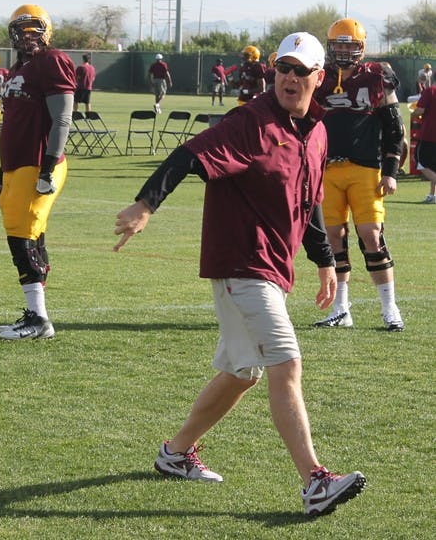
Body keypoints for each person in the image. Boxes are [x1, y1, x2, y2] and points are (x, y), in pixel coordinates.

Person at [113, 32, 366, 517]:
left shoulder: (315, 132)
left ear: (319, 77)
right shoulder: (250, 121)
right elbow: (189, 155)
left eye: (300, 70)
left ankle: (175, 452)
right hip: (242, 264)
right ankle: (315, 480)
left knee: (241, 372)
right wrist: (146, 204)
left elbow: (309, 203)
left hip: (272, 267)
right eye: (283, 68)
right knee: (286, 363)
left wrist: (326, 261)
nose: (290, 78)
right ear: (274, 72)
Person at [311, 18, 405, 332]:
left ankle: (389, 307)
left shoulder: (377, 77)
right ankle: (341, 309)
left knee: (372, 236)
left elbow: (395, 129)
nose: (342, 50)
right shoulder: (319, 77)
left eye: (348, 45)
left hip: (365, 168)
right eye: (338, 44)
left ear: (360, 48)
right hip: (326, 171)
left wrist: (391, 172)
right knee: (334, 240)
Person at [0, 4, 75, 340]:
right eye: (21, 30)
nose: (28, 36)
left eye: (34, 28)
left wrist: (49, 167)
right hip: (16, 165)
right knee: (27, 235)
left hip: (39, 163)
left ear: (47, 30)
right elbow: (14, 126)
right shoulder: (16, 70)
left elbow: (62, 119)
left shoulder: (53, 61)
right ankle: (36, 314)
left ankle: (39, 319)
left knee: (21, 233)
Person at [410, 86, 436, 202]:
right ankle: (432, 195)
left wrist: (412, 114)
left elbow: (420, 110)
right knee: (433, 166)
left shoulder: (430, 90)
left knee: (419, 160)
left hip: (429, 134)